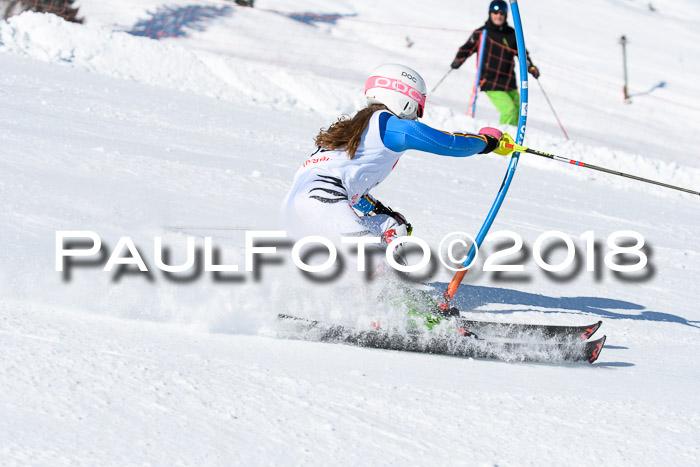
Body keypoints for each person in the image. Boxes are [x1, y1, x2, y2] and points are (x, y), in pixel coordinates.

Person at [281, 63, 504, 270]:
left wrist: (376, 208)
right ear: (405, 97)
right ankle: (393, 304)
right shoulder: (389, 125)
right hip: (324, 202)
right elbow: (449, 143)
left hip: (295, 207)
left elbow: (345, 183)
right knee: (374, 261)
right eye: (419, 104)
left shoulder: (356, 129)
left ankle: (377, 297)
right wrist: (487, 141)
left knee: (393, 225)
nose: (417, 113)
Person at [450, 0, 539, 126]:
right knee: (509, 110)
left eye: (502, 13)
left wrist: (531, 67)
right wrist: (459, 59)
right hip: (490, 81)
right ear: (490, 14)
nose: (498, 16)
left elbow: (523, 54)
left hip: (509, 82)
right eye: (495, 12)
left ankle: (513, 140)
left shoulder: (511, 34)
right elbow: (467, 48)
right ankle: (505, 139)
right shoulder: (482, 33)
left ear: (506, 15)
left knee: (518, 111)